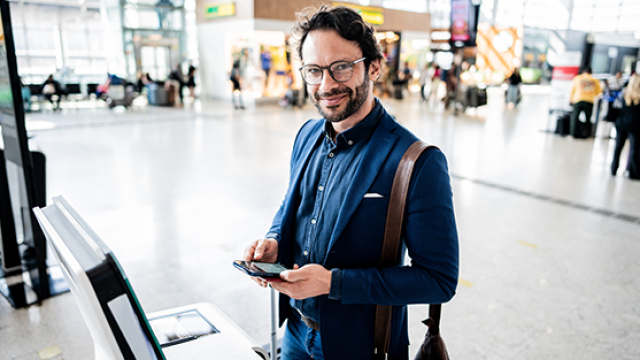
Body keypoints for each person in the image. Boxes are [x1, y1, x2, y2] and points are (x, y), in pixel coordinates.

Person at [241, 6, 459, 360]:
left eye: (341, 67)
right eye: (314, 71)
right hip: (296, 332)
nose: (326, 85)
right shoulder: (307, 135)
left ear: (373, 66)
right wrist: (274, 239)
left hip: (360, 347)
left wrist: (332, 283)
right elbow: (292, 205)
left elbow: (439, 280)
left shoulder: (416, 162)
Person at [611, 74, 640, 179]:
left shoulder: (624, 93)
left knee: (618, 148)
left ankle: (613, 169)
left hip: (621, 123)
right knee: (634, 150)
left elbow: (616, 106)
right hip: (635, 126)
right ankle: (634, 173)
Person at [569, 66, 602, 138]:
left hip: (578, 99)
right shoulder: (595, 80)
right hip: (589, 101)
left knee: (574, 117)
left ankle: (572, 134)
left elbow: (573, 90)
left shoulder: (578, 78)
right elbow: (598, 92)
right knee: (588, 118)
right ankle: (588, 134)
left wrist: (571, 99)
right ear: (591, 72)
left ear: (583, 72)